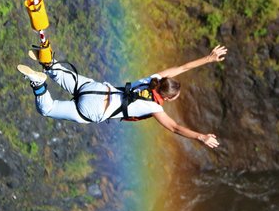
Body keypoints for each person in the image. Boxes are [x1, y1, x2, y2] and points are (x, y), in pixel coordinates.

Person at [17, 44, 227, 148]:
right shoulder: (154, 107)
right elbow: (175, 128)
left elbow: (181, 68)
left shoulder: (152, 79)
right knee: (48, 109)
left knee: (58, 71)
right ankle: (38, 83)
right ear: (168, 98)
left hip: (98, 88)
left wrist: (208, 58)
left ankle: (47, 60)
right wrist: (201, 136)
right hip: (96, 109)